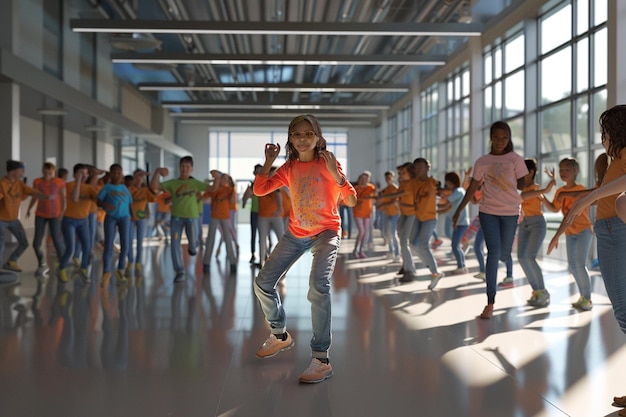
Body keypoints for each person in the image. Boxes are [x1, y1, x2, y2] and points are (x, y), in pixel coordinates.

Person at [252, 114, 356, 384]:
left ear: (318, 137)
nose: (302, 139)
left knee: (318, 286)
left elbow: (352, 200)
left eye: (308, 134)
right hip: (296, 233)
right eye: (296, 134)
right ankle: (279, 334)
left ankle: (321, 359)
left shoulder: (328, 164)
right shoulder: (288, 167)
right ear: (290, 138)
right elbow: (261, 190)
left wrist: (337, 175)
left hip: (326, 232)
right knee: (263, 283)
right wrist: (268, 162)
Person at [546, 105, 626, 413]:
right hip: (607, 231)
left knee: (623, 311)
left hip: (616, 231)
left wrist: (590, 198)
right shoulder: (611, 160)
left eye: (604, 132)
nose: (602, 137)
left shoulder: (623, 154)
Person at [452, 121, 528, 319]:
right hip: (488, 212)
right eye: (496, 137)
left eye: (504, 138)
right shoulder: (482, 162)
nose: (500, 141)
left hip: (511, 212)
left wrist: (524, 177)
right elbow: (472, 188)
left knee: (503, 253)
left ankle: (501, 268)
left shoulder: (515, 159)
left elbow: (523, 184)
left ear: (509, 138)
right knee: (493, 253)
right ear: (491, 138)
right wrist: (459, 210)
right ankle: (490, 302)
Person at [150, 156, 210, 281]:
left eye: (187, 167)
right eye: (182, 166)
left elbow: (212, 189)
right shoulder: (173, 183)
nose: (184, 169)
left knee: (193, 243)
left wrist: (218, 178)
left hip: (192, 218)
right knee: (175, 244)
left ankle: (193, 248)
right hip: (177, 218)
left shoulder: (195, 183)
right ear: (179, 168)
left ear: (191, 169)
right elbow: (154, 186)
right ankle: (179, 271)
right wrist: (157, 172)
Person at [516, 158, 556, 307]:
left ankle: (543, 291)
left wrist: (550, 186)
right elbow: (522, 197)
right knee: (521, 257)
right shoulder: (525, 190)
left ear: (531, 172)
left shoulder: (535, 188)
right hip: (525, 224)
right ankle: (536, 291)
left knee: (530, 257)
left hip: (537, 224)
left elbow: (551, 207)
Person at [0, 160, 48, 274]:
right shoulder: (2, 184)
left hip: (13, 219)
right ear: (14, 171)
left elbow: (32, 192)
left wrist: (47, 196)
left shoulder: (20, 184)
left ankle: (11, 261)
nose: (23, 173)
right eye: (21, 171)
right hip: (1, 219)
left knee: (24, 242)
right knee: (0, 244)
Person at [59, 164, 99, 283]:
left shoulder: (89, 188)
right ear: (74, 175)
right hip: (69, 221)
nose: (83, 175)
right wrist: (78, 181)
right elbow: (75, 198)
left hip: (83, 222)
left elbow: (98, 198)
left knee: (87, 247)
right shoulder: (69, 185)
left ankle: (84, 270)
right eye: (80, 173)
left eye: (85, 173)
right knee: (70, 249)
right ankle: (61, 269)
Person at [27, 162, 67, 276]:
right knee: (36, 243)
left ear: (53, 172)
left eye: (50, 172)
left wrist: (62, 211)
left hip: (55, 215)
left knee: (56, 240)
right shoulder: (37, 182)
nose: (47, 175)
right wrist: (29, 209)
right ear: (42, 171)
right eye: (45, 172)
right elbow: (35, 196)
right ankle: (42, 263)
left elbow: (63, 198)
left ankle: (62, 264)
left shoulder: (59, 182)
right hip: (40, 214)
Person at [411, 158, 444, 290]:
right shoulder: (413, 183)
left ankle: (435, 272)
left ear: (427, 168)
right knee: (413, 244)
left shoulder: (433, 182)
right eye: (416, 168)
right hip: (418, 217)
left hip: (430, 217)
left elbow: (442, 192)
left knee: (423, 244)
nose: (418, 170)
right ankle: (431, 266)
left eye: (421, 167)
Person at [98, 164, 133, 288]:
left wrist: (133, 218)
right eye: (114, 173)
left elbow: (130, 203)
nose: (116, 175)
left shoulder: (124, 188)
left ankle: (120, 270)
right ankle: (106, 272)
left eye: (119, 173)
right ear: (110, 174)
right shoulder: (107, 187)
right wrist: (105, 205)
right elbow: (98, 201)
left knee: (125, 245)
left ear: (122, 174)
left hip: (125, 218)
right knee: (109, 245)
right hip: (111, 218)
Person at [202, 170, 237, 273]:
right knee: (210, 239)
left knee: (227, 239)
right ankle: (206, 263)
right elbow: (204, 198)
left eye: (226, 179)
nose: (224, 180)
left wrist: (233, 190)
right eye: (223, 178)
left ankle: (232, 263)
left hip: (225, 217)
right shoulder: (214, 189)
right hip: (214, 216)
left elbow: (232, 202)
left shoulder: (229, 190)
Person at [438, 171, 468, 275]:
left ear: (451, 181)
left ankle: (461, 266)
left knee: (455, 246)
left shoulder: (458, 191)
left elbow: (446, 203)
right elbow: (448, 207)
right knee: (455, 245)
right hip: (458, 223)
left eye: (447, 182)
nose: (446, 184)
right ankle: (462, 265)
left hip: (461, 223)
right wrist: (437, 210)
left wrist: (433, 205)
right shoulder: (457, 191)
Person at [127, 169, 156, 276]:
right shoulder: (129, 189)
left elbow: (153, 198)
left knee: (140, 241)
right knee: (128, 241)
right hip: (129, 218)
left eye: (141, 177)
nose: (139, 179)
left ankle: (138, 262)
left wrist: (150, 188)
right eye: (137, 176)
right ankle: (130, 261)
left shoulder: (145, 190)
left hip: (141, 218)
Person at [377, 171, 400, 262]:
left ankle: (397, 254)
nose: (388, 180)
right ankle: (391, 252)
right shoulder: (385, 190)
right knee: (387, 234)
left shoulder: (396, 189)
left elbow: (394, 201)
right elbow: (382, 201)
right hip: (387, 213)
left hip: (395, 214)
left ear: (393, 178)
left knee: (393, 234)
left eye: (389, 178)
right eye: (386, 178)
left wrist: (382, 206)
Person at [352, 171, 376, 258]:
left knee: (366, 233)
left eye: (365, 179)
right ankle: (356, 249)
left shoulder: (371, 187)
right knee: (361, 231)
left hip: (367, 212)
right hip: (358, 212)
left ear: (368, 180)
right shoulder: (355, 188)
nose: (363, 180)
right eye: (362, 178)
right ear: (359, 179)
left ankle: (361, 250)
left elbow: (376, 196)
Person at [242, 164, 262, 264]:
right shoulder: (252, 186)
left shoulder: (265, 185)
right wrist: (246, 198)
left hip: (264, 213)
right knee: (254, 234)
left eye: (260, 171)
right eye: (257, 172)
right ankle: (253, 254)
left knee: (263, 235)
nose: (258, 174)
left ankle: (264, 254)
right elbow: (244, 200)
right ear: (254, 173)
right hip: (254, 212)